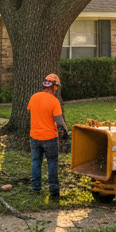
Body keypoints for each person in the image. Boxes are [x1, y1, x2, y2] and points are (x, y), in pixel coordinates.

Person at [27, 73, 69, 201]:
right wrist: (66, 131)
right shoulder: (54, 101)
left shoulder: (34, 97)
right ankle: (54, 191)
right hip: (49, 138)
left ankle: (35, 188)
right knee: (52, 162)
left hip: (34, 136)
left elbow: (31, 112)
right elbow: (59, 121)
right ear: (54, 87)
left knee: (36, 161)